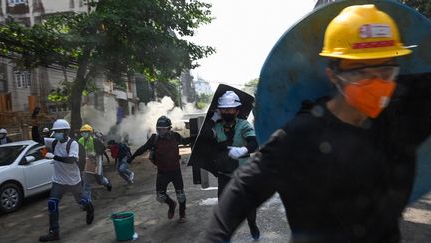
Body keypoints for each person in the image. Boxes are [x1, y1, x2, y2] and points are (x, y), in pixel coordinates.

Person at [203, 4, 414, 243]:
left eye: (385, 71)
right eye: (360, 71)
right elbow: (244, 189)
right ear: (333, 75)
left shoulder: (398, 123)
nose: (375, 83)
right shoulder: (301, 135)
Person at [202, 90, 260, 240]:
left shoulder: (243, 125)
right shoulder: (217, 126)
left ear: (237, 111)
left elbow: (254, 143)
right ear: (220, 111)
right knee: (224, 208)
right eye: (224, 109)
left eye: (230, 109)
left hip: (243, 174)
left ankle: (252, 224)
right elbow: (205, 137)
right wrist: (213, 120)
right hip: (224, 175)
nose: (227, 112)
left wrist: (243, 149)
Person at [32, 119, 95, 242]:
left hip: (73, 181)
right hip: (58, 180)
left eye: (58, 132)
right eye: (55, 132)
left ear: (66, 132)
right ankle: (54, 232)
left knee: (81, 201)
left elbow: (71, 160)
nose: (56, 134)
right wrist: (34, 120)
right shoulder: (54, 142)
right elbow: (36, 138)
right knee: (52, 204)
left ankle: (89, 207)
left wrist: (53, 156)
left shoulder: (73, 144)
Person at [128, 115, 194, 223]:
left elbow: (185, 141)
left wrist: (196, 137)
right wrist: (132, 157)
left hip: (175, 171)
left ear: (169, 128)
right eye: (159, 129)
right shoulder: (154, 139)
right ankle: (171, 205)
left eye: (163, 129)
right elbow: (143, 148)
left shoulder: (175, 136)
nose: (161, 131)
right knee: (160, 196)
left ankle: (182, 214)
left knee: (181, 195)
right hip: (162, 172)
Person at [78, 124, 112, 202]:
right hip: (87, 163)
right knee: (86, 183)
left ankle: (107, 183)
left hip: (95, 162)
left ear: (90, 133)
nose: (84, 133)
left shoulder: (95, 141)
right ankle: (87, 202)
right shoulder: (80, 141)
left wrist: (95, 153)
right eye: (82, 132)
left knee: (100, 180)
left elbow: (103, 149)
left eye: (86, 132)